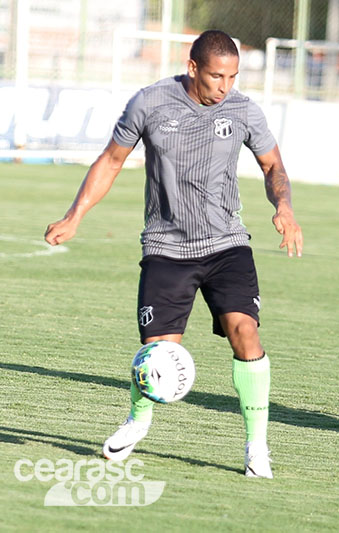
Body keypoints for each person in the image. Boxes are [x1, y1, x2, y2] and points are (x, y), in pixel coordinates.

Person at [44, 30, 303, 479]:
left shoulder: (242, 110)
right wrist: (75, 216)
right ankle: (137, 422)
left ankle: (256, 446)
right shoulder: (150, 103)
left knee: (246, 333)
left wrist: (284, 207)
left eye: (233, 76)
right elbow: (110, 160)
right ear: (193, 68)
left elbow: (272, 165)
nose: (225, 86)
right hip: (166, 248)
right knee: (158, 354)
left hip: (227, 245)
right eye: (217, 76)